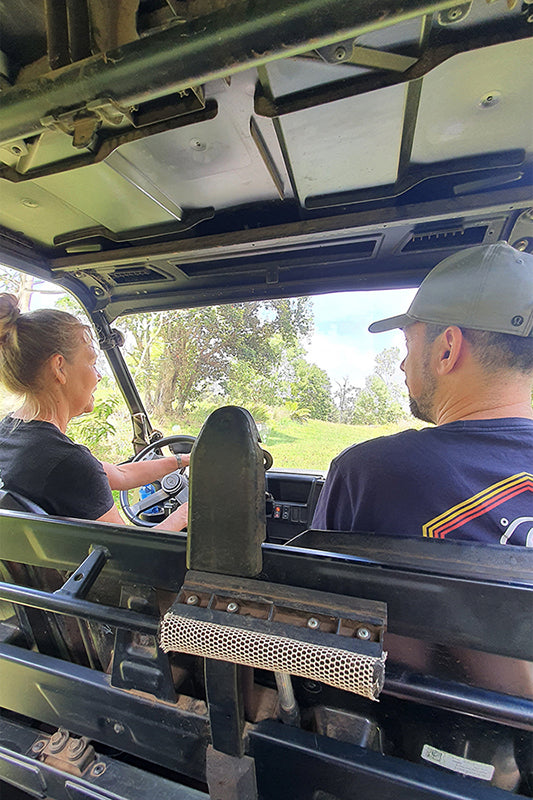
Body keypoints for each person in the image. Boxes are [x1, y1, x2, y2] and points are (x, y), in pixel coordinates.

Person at [312, 241, 533, 546]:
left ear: (447, 350)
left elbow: (309, 588)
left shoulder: (368, 474)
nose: (403, 364)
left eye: (408, 344)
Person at [0, 294, 188, 530]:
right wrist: (186, 514)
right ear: (59, 367)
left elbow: (121, 475)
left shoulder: (10, 435)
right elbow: (126, 555)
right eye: (91, 362)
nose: (98, 375)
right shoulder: (67, 462)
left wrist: (184, 460)